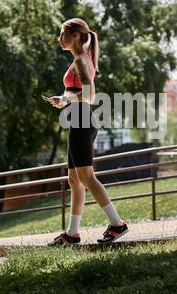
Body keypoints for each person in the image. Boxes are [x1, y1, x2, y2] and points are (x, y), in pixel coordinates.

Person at [45, 18, 129, 245]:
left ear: (74, 36)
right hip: (77, 120)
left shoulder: (82, 60)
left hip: (82, 120)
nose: (59, 37)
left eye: (62, 33)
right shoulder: (81, 59)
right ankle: (72, 234)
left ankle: (117, 224)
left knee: (87, 177)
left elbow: (90, 96)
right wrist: (64, 100)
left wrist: (64, 100)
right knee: (74, 179)